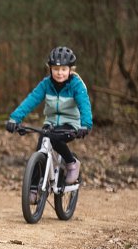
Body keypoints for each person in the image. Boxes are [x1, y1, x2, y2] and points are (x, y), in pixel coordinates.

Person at [5, 46, 93, 186]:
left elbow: (84, 105)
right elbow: (31, 100)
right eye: (56, 69)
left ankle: (71, 163)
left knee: (55, 137)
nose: (60, 73)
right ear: (50, 68)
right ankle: (33, 188)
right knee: (41, 147)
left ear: (71, 70)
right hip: (51, 123)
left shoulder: (76, 85)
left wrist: (86, 125)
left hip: (71, 124)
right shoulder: (46, 84)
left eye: (64, 69)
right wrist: (15, 118)